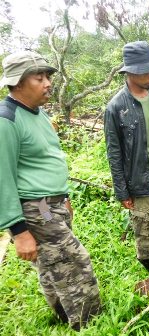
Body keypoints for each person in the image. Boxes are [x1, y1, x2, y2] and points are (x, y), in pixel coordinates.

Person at [0, 51, 101, 330]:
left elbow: (46, 159)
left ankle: (64, 316)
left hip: (51, 203)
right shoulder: (6, 120)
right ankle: (90, 324)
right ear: (18, 82)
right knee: (73, 261)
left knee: (51, 263)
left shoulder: (37, 113)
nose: (47, 83)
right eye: (39, 77)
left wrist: (64, 197)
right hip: (36, 207)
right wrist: (19, 231)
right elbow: (2, 177)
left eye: (48, 77)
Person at [104, 41, 149, 271]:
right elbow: (114, 153)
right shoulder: (116, 107)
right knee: (143, 224)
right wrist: (122, 190)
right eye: (148, 70)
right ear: (132, 72)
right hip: (138, 176)